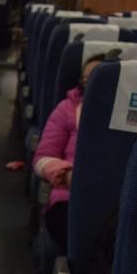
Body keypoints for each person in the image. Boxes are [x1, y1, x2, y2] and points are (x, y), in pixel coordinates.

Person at [32, 53, 105, 254]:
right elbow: (41, 158)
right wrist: (66, 174)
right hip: (70, 196)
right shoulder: (68, 109)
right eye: (86, 79)